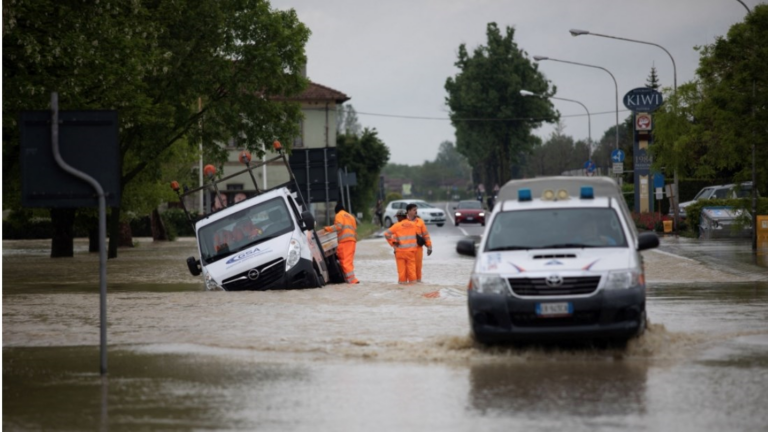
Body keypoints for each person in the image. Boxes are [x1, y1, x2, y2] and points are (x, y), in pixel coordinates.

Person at [324, 203, 359, 284]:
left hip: (345, 241)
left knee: (344, 261)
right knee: (349, 261)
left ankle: (351, 280)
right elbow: (354, 229)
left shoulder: (339, 215)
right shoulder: (350, 216)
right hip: (352, 241)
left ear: (336, 211)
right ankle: (351, 278)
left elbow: (338, 226)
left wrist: (327, 229)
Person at [384, 209, 419, 285]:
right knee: (412, 271)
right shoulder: (413, 225)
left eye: (397, 217)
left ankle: (402, 287)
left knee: (401, 272)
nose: (397, 219)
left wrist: (393, 243)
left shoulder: (397, 225)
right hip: (411, 252)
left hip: (400, 252)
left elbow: (386, 234)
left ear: (400, 217)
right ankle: (414, 287)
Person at [406, 203, 432, 283]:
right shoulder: (403, 222)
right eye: (414, 210)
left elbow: (425, 235)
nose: (416, 211)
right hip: (407, 250)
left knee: (418, 267)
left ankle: (418, 284)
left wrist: (429, 246)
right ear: (409, 211)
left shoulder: (420, 222)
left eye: (416, 210)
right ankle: (410, 285)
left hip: (418, 249)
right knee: (409, 269)